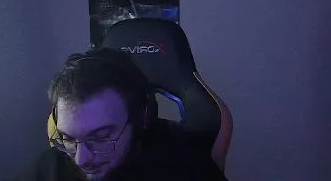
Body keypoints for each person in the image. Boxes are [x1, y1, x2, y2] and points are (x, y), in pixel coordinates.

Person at [14, 48, 228, 181]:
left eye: (100, 137)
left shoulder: (186, 167)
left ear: (140, 119)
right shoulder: (48, 168)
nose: (81, 159)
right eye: (68, 138)